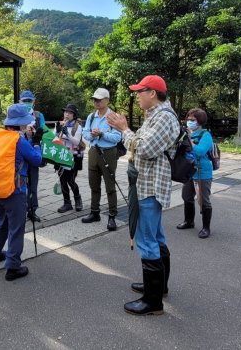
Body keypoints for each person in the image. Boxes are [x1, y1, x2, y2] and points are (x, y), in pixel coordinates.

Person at [107, 75, 180, 316]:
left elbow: (146, 149)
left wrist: (125, 130)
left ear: (153, 93)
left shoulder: (163, 118)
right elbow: (141, 143)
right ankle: (159, 288)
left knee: (147, 241)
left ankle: (152, 302)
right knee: (156, 238)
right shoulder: (155, 116)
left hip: (149, 186)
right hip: (147, 184)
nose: (137, 95)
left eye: (141, 91)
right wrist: (128, 132)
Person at [0, 104, 43, 281]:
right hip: (15, 190)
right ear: (20, 123)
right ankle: (13, 266)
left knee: (1, 220)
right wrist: (35, 143)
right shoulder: (19, 141)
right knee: (16, 227)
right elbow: (36, 160)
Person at [81, 88, 122, 231]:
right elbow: (85, 134)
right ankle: (94, 212)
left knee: (110, 186)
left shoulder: (114, 117)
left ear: (107, 100)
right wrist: (92, 134)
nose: (96, 102)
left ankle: (112, 216)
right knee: (94, 185)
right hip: (93, 152)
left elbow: (117, 138)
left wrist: (102, 134)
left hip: (109, 153)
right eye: (94, 99)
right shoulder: (91, 117)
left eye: (99, 99)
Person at [176, 108, 215, 238]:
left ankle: (206, 228)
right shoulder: (185, 134)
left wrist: (190, 141)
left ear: (200, 121)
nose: (189, 121)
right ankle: (189, 221)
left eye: (192, 120)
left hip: (202, 172)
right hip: (188, 171)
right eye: (188, 119)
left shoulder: (206, 135)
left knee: (203, 201)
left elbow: (199, 152)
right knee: (186, 196)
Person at [19, 90, 45, 222]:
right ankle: (20, 209)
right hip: (19, 154)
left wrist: (37, 135)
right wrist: (24, 133)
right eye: (25, 101)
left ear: (33, 101)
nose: (27, 103)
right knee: (19, 183)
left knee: (33, 184)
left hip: (34, 152)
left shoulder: (38, 116)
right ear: (20, 101)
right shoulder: (16, 115)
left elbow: (45, 133)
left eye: (30, 101)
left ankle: (32, 210)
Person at [55, 104, 84, 213]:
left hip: (73, 156)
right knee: (62, 179)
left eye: (69, 113)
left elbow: (76, 141)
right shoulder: (60, 124)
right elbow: (55, 139)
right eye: (65, 112)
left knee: (70, 180)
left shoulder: (78, 126)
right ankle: (67, 203)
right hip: (61, 154)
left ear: (74, 115)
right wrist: (58, 131)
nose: (66, 114)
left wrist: (67, 133)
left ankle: (78, 199)